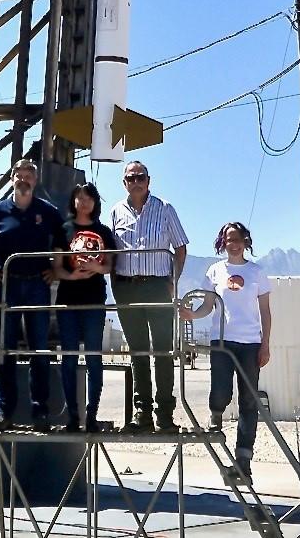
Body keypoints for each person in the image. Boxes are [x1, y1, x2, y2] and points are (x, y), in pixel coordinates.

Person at [0, 158, 65, 432]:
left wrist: (55, 269)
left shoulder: (47, 212)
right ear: (12, 178)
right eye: (19, 175)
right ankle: (4, 411)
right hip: (7, 286)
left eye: (28, 176)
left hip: (37, 285)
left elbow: (63, 239)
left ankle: (41, 411)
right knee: (5, 351)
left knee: (40, 350)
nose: (23, 180)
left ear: (35, 181)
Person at [110, 160, 188, 432]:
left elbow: (180, 248)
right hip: (127, 288)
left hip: (157, 286)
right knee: (138, 352)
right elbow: (111, 253)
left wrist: (172, 282)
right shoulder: (116, 212)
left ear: (148, 180)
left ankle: (164, 414)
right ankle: (141, 413)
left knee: (163, 351)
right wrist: (116, 287)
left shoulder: (165, 209)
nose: (135, 181)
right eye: (130, 178)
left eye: (140, 176)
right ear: (124, 183)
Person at [201, 221, 271, 480]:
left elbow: (265, 311)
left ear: (246, 241)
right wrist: (190, 314)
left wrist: (265, 344)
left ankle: (244, 459)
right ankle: (216, 413)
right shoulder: (215, 271)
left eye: (238, 238)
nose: (234, 242)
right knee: (221, 389)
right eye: (229, 238)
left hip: (250, 342)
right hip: (222, 339)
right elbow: (208, 306)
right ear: (222, 242)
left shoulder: (257, 273)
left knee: (248, 401)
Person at [52, 183, 118, 433]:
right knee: (68, 357)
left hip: (93, 299)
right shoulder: (64, 229)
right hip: (68, 298)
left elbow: (110, 264)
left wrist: (95, 268)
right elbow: (57, 266)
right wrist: (73, 277)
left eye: (89, 197)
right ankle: (72, 415)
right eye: (79, 197)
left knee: (93, 357)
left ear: (95, 202)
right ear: (73, 201)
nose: (84, 202)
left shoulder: (103, 231)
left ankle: (92, 414)